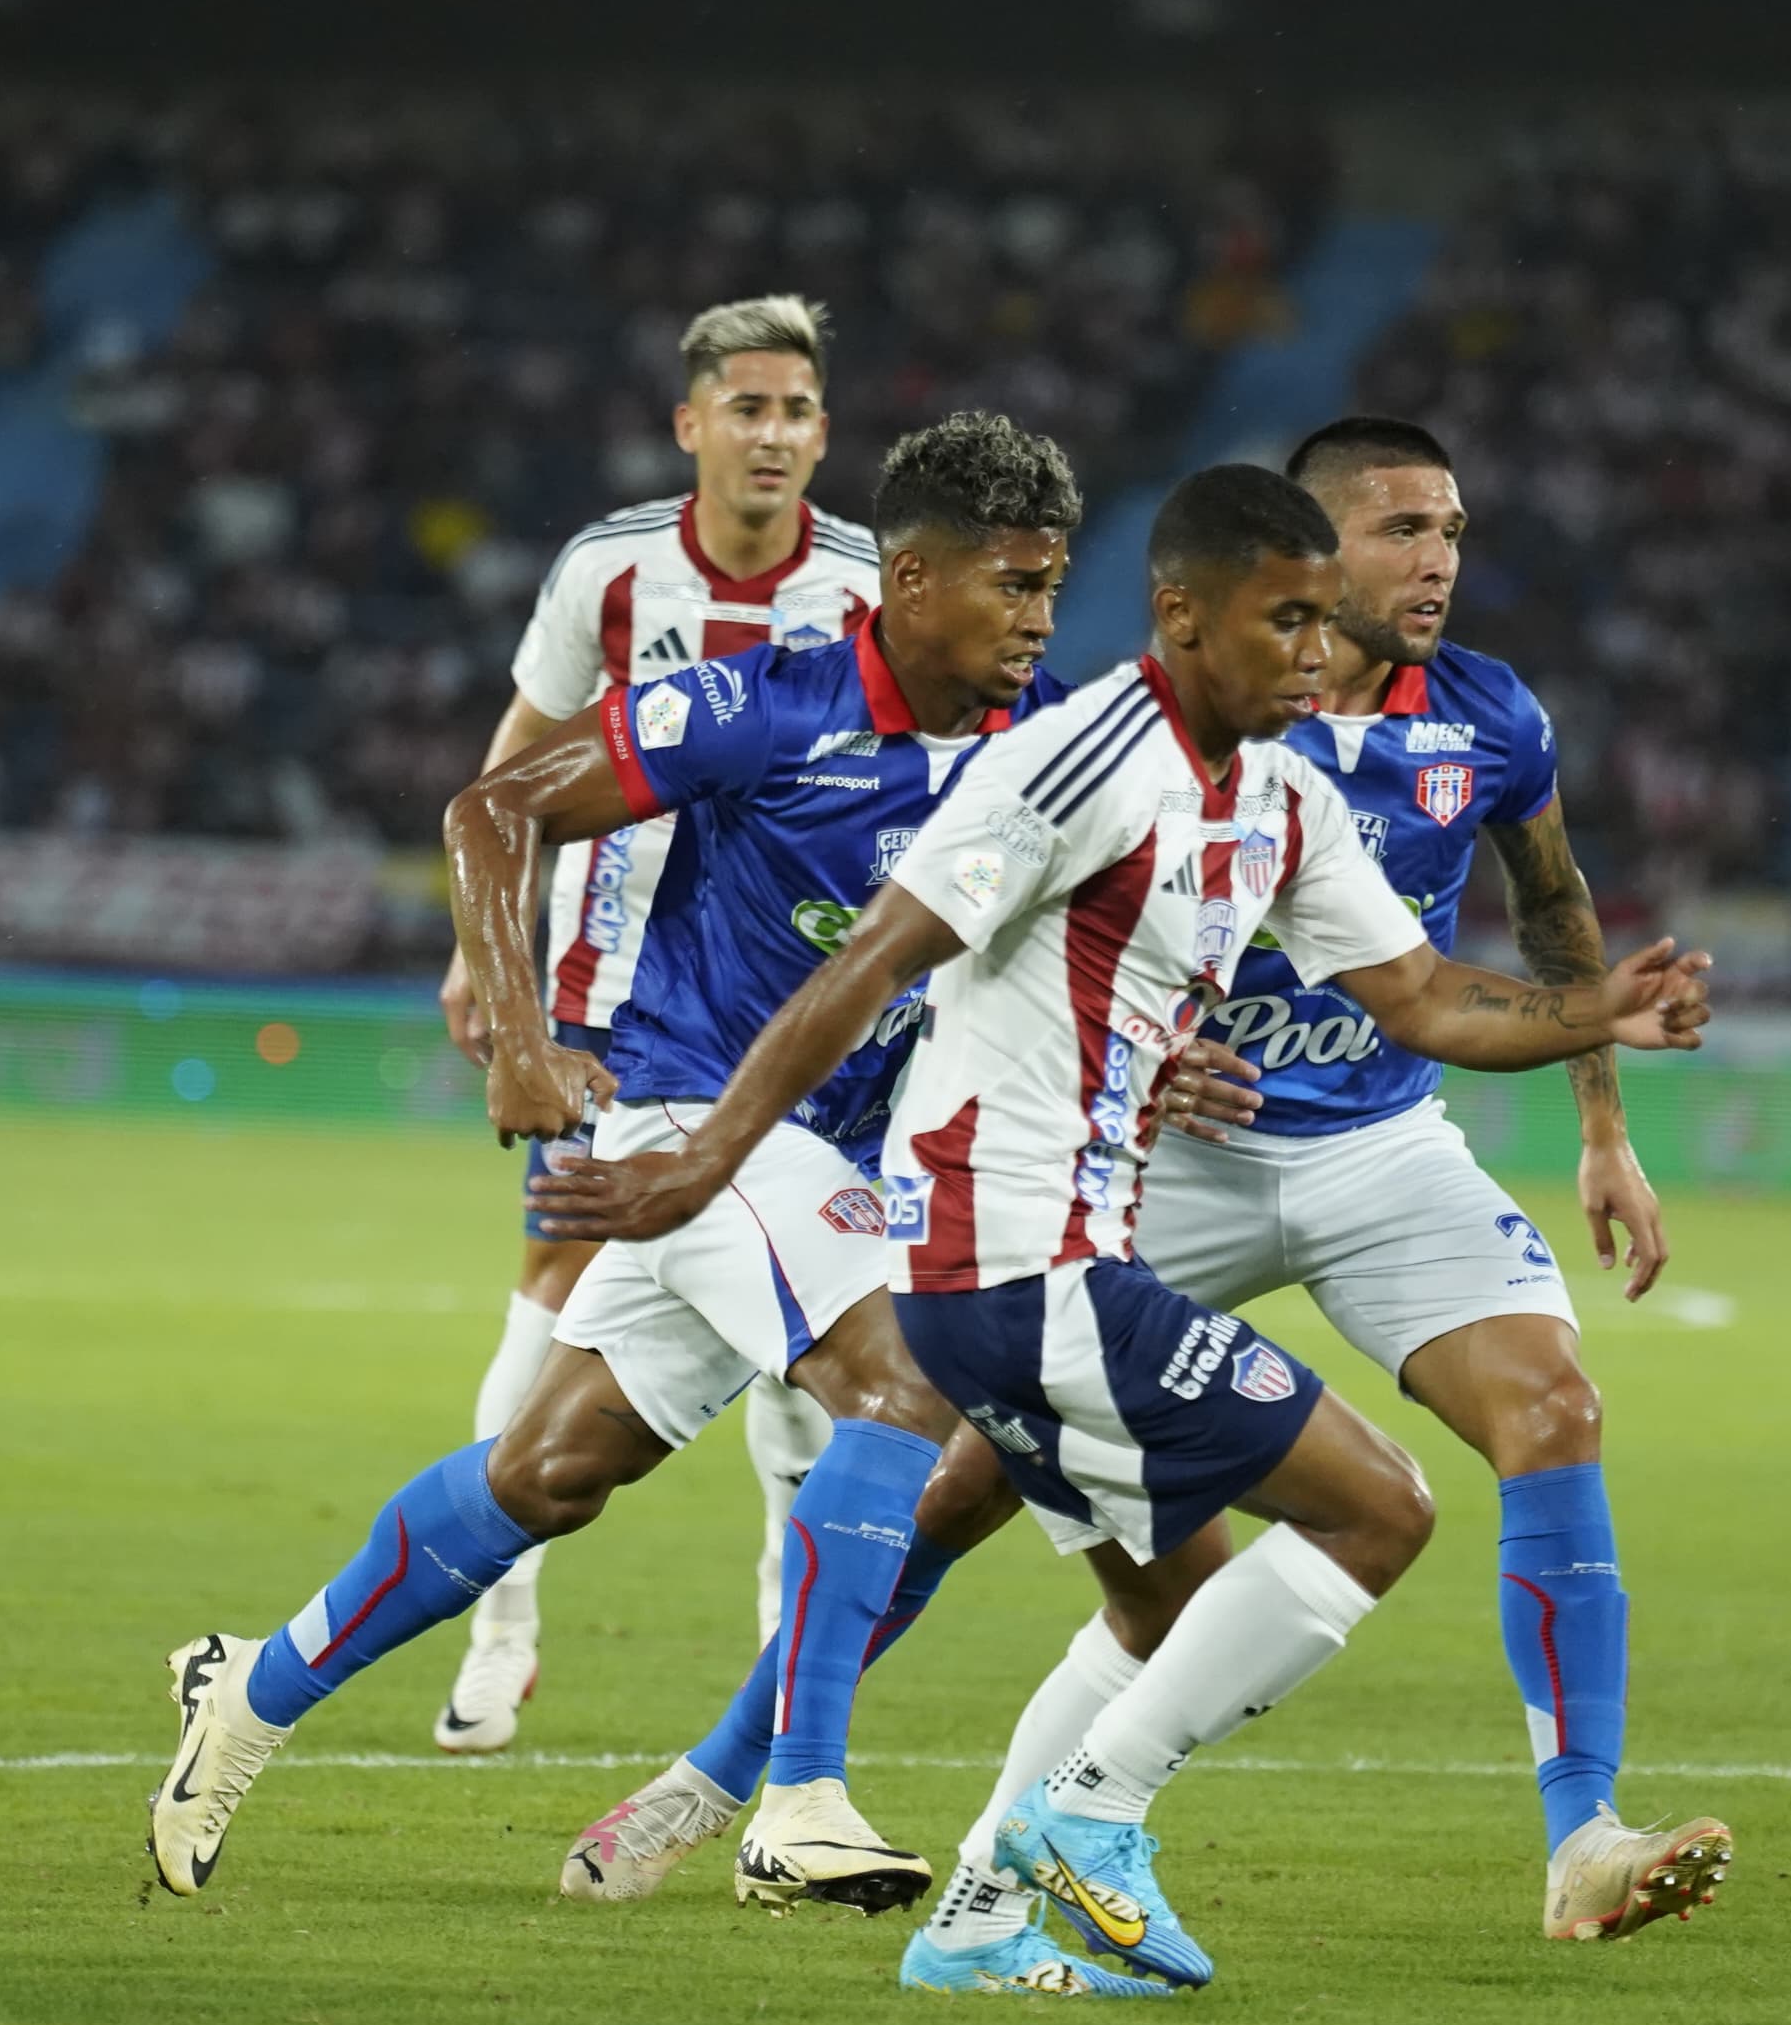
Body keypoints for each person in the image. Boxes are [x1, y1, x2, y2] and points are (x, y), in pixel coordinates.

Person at [532, 465, 1711, 1993]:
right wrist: (700, 1167)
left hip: (1087, 1257)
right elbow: (862, 967)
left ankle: (968, 1921)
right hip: (1023, 1266)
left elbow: (1420, 996)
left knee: (1167, 1592)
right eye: (1285, 622)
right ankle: (1088, 1818)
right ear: (1182, 617)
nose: (1312, 656)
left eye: (1319, 626)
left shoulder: (1283, 789)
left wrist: (1586, 1014)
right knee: (1379, 1511)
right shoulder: (1075, 762)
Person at [149, 415, 1105, 1933]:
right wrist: (520, 1040)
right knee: (905, 1384)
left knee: (548, 1475)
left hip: (832, 1153)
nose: (1042, 622)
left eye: (1056, 589)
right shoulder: (762, 706)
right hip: (686, 1116)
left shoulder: (1050, 745)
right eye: (1015, 586)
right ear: (910, 582)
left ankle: (245, 1694)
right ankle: (795, 1796)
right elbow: (494, 806)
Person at [420, 295, 882, 1755]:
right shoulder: (609, 569)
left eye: (798, 410)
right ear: (691, 423)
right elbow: (519, 756)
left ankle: (780, 1615)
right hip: (615, 966)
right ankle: (504, 1623)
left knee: (810, 1296)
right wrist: (478, 955)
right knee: (559, 1258)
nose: (774, 434)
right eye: (746, 407)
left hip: (803, 971)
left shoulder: (873, 580)